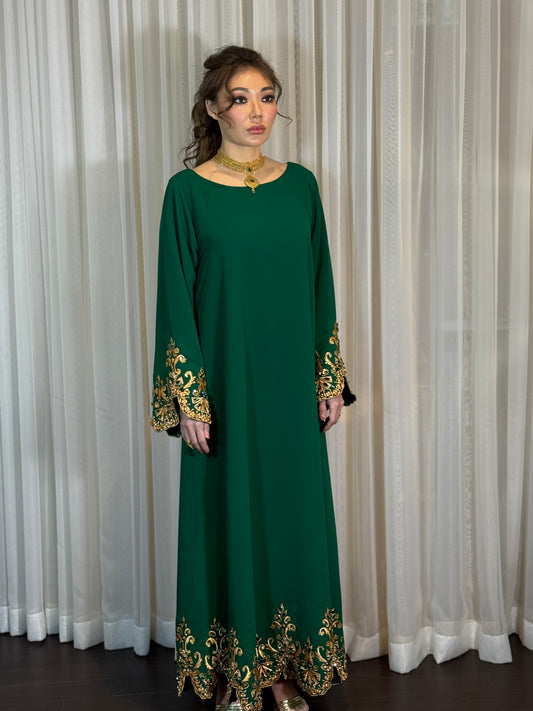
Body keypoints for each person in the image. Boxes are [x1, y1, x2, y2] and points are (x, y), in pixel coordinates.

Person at [151, 45, 354, 711]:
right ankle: (238, 671)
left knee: (291, 520)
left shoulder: (301, 185)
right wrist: (190, 397)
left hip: (289, 389)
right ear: (214, 108)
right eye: (240, 99)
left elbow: (320, 281)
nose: (257, 111)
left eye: (266, 97)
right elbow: (176, 299)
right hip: (225, 390)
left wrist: (327, 376)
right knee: (229, 518)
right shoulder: (186, 192)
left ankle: (286, 669)